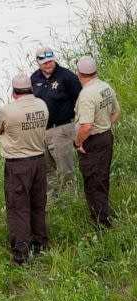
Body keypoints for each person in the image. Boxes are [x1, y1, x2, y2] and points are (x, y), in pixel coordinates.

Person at [0, 73, 49, 265]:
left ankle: (21, 255)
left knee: (18, 209)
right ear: (31, 88)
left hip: (18, 165)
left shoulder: (8, 111)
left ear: (13, 91)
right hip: (39, 161)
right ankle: (41, 245)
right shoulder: (42, 105)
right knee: (38, 204)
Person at [73, 56, 121, 228]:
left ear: (79, 74)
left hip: (92, 140)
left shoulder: (87, 94)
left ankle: (100, 221)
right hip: (106, 136)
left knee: (93, 180)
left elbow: (86, 126)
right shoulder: (105, 86)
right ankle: (102, 213)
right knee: (102, 177)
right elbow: (116, 112)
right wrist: (105, 125)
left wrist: (78, 143)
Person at [31, 46, 82, 200]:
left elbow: (79, 101)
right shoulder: (34, 78)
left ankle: (69, 200)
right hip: (40, 131)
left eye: (51, 61)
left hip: (62, 129)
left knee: (66, 169)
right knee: (46, 170)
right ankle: (51, 202)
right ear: (38, 62)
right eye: (45, 63)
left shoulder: (67, 77)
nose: (49, 65)